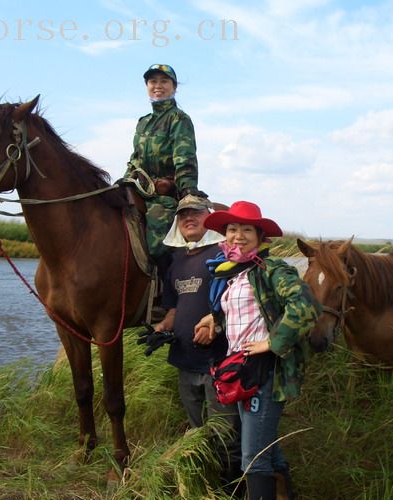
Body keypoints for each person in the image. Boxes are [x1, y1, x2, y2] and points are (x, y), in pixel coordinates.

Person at [194, 201, 320, 500]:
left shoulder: (271, 269)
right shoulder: (237, 272)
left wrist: (272, 343)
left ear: (260, 236)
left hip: (265, 374)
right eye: (232, 229)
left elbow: (307, 307)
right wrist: (216, 319)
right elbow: (249, 312)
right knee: (268, 450)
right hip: (242, 370)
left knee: (253, 457)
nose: (238, 235)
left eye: (246, 229)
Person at [146, 194, 243, 494]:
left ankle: (233, 490)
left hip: (219, 362)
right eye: (183, 213)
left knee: (226, 435)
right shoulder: (176, 261)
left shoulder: (225, 253)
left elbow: (241, 302)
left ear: (209, 217)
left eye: (196, 212)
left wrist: (216, 322)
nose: (189, 218)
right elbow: (175, 309)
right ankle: (206, 486)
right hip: (185, 362)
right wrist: (161, 328)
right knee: (198, 432)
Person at [124, 64, 205, 266]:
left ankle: (164, 284)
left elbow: (184, 157)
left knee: (156, 244)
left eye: (164, 81)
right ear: (147, 86)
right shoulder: (143, 122)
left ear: (174, 87)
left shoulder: (179, 119)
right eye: (153, 81)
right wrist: (125, 180)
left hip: (164, 196)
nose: (158, 86)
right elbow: (135, 158)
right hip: (140, 189)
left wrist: (187, 193)